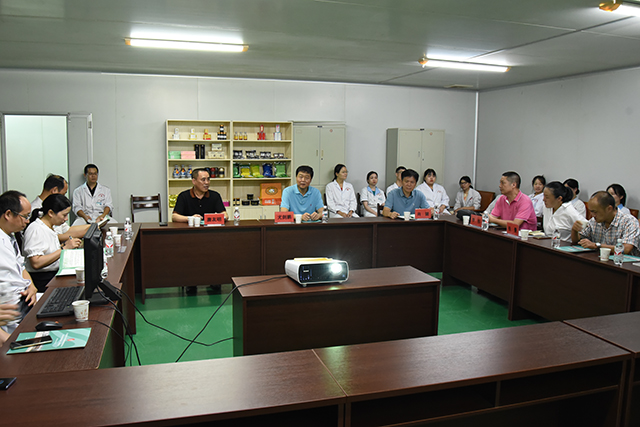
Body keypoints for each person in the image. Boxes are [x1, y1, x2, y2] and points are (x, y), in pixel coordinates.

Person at [23, 194, 82, 292]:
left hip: (52, 274)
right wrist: (64, 249)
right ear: (50, 213)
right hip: (42, 280)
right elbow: (36, 263)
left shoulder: (50, 227)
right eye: (64, 215)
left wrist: (66, 246)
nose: (66, 219)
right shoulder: (36, 229)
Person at [0, 190, 38, 337]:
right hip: (9, 312)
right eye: (25, 216)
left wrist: (31, 286)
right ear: (8, 214)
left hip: (23, 301)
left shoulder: (10, 235)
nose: (27, 221)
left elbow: (21, 267)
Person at [572, 191, 640, 255]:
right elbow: (578, 241)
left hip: (623, 262)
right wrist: (574, 231)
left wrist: (597, 245)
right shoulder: (594, 221)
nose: (592, 215)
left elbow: (626, 249)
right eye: (591, 211)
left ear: (609, 209)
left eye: (595, 212)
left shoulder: (629, 221)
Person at [32, 174, 89, 241]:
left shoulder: (55, 207)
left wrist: (92, 227)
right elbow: (52, 237)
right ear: (54, 190)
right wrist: (84, 233)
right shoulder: (34, 210)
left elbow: (66, 230)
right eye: (63, 194)